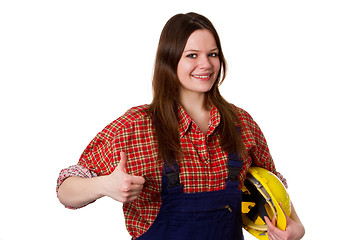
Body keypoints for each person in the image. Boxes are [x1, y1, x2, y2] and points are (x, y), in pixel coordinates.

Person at [57, 12, 305, 240]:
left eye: (213, 54)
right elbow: (65, 189)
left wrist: (297, 227)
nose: (206, 65)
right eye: (192, 55)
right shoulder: (137, 126)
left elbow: (272, 185)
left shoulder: (242, 124)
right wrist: (103, 186)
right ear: (170, 59)